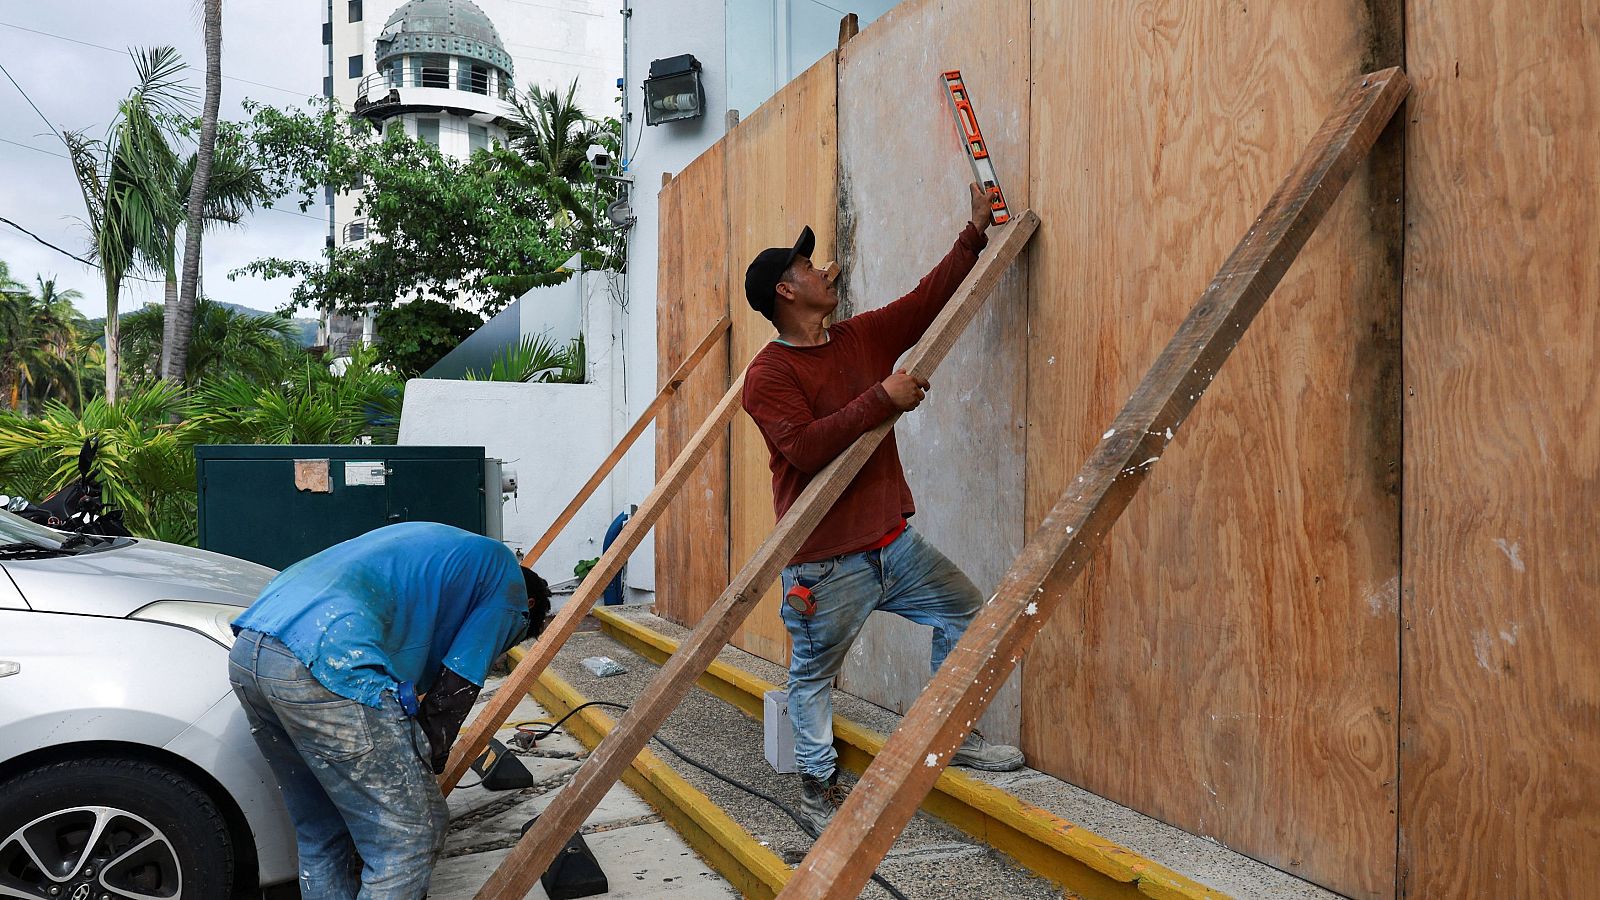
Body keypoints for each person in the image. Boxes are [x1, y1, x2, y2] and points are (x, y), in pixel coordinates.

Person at [740, 182, 1026, 836]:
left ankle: (951, 737)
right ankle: (818, 788)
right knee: (813, 678)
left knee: (967, 612)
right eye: (806, 268)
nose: (820, 270)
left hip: (889, 543)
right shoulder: (768, 377)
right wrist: (884, 399)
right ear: (786, 292)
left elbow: (924, 304)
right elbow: (807, 450)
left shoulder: (856, 338)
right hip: (824, 565)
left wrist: (973, 233)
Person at [227, 521, 551, 899]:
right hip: (328, 658)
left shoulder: (447, 550)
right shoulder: (506, 581)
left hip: (254, 648)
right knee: (410, 837)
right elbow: (454, 689)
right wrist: (426, 757)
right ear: (527, 606)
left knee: (323, 831)